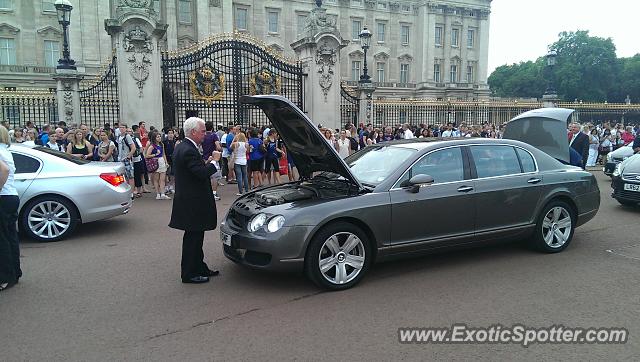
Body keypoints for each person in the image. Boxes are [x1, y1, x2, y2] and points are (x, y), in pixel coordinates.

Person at [169, 117, 221, 284]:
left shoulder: (185, 146)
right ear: (193, 132)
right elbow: (201, 173)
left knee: (197, 237)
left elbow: (194, 169)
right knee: (193, 239)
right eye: (203, 131)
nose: (205, 134)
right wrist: (214, 162)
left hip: (190, 200)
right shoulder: (188, 149)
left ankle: (199, 266)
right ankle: (189, 273)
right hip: (192, 202)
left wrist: (206, 162)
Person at [0, 125, 20, 292]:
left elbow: (4, 170)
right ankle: (15, 272)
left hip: (3, 196)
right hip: (11, 195)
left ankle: (5, 277)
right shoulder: (6, 150)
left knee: (2, 239)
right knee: (11, 236)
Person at [145, 131, 171, 200]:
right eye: (157, 137)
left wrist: (166, 162)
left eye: (160, 136)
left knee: (162, 179)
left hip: (162, 161)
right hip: (155, 162)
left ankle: (162, 193)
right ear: (154, 138)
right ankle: (158, 193)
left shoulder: (162, 145)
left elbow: (164, 154)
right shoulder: (152, 146)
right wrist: (155, 154)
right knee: (156, 179)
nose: (159, 138)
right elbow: (147, 155)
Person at [117, 123, 138, 191]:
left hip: (126, 159)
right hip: (120, 159)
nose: (121, 129)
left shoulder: (127, 136)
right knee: (123, 177)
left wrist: (128, 156)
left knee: (130, 176)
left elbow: (133, 148)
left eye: (123, 127)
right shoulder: (119, 137)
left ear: (126, 128)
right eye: (120, 127)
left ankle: (131, 192)